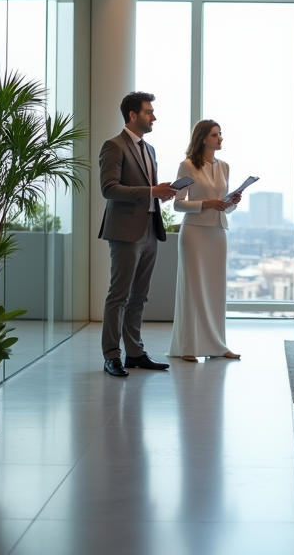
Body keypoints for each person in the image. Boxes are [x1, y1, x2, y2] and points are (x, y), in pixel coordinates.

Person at [98, 91, 177, 377]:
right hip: (124, 231)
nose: (153, 116)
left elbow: (146, 191)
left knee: (139, 296)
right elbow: (109, 188)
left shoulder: (150, 149)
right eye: (148, 112)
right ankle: (111, 356)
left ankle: (134, 352)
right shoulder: (113, 146)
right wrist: (150, 192)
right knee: (118, 296)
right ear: (132, 115)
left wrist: (160, 193)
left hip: (150, 230)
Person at [167, 120, 244, 361]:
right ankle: (189, 346)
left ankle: (218, 345)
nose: (220, 138)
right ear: (203, 138)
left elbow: (223, 207)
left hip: (217, 232)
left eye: (220, 134)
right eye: (215, 135)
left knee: (215, 289)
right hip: (194, 233)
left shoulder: (225, 167)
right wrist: (206, 204)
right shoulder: (187, 166)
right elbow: (178, 204)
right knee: (193, 288)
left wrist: (231, 203)